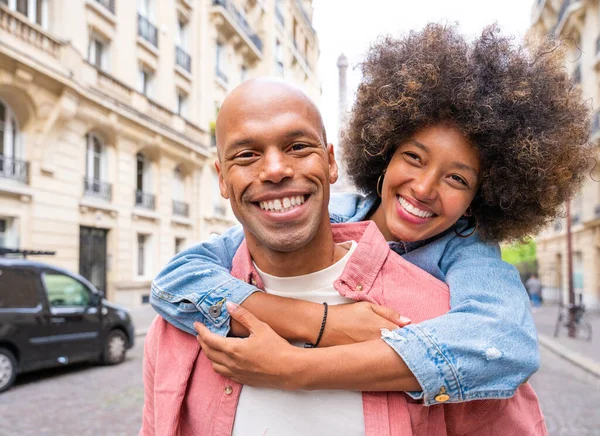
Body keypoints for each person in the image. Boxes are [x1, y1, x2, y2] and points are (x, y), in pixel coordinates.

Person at [150, 24, 592, 405]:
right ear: (383, 152)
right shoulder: (332, 210)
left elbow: (505, 344)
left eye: (457, 179)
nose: (423, 187)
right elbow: (177, 279)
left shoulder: (467, 251)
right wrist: (322, 323)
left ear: (482, 197)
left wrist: (296, 367)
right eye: (414, 158)